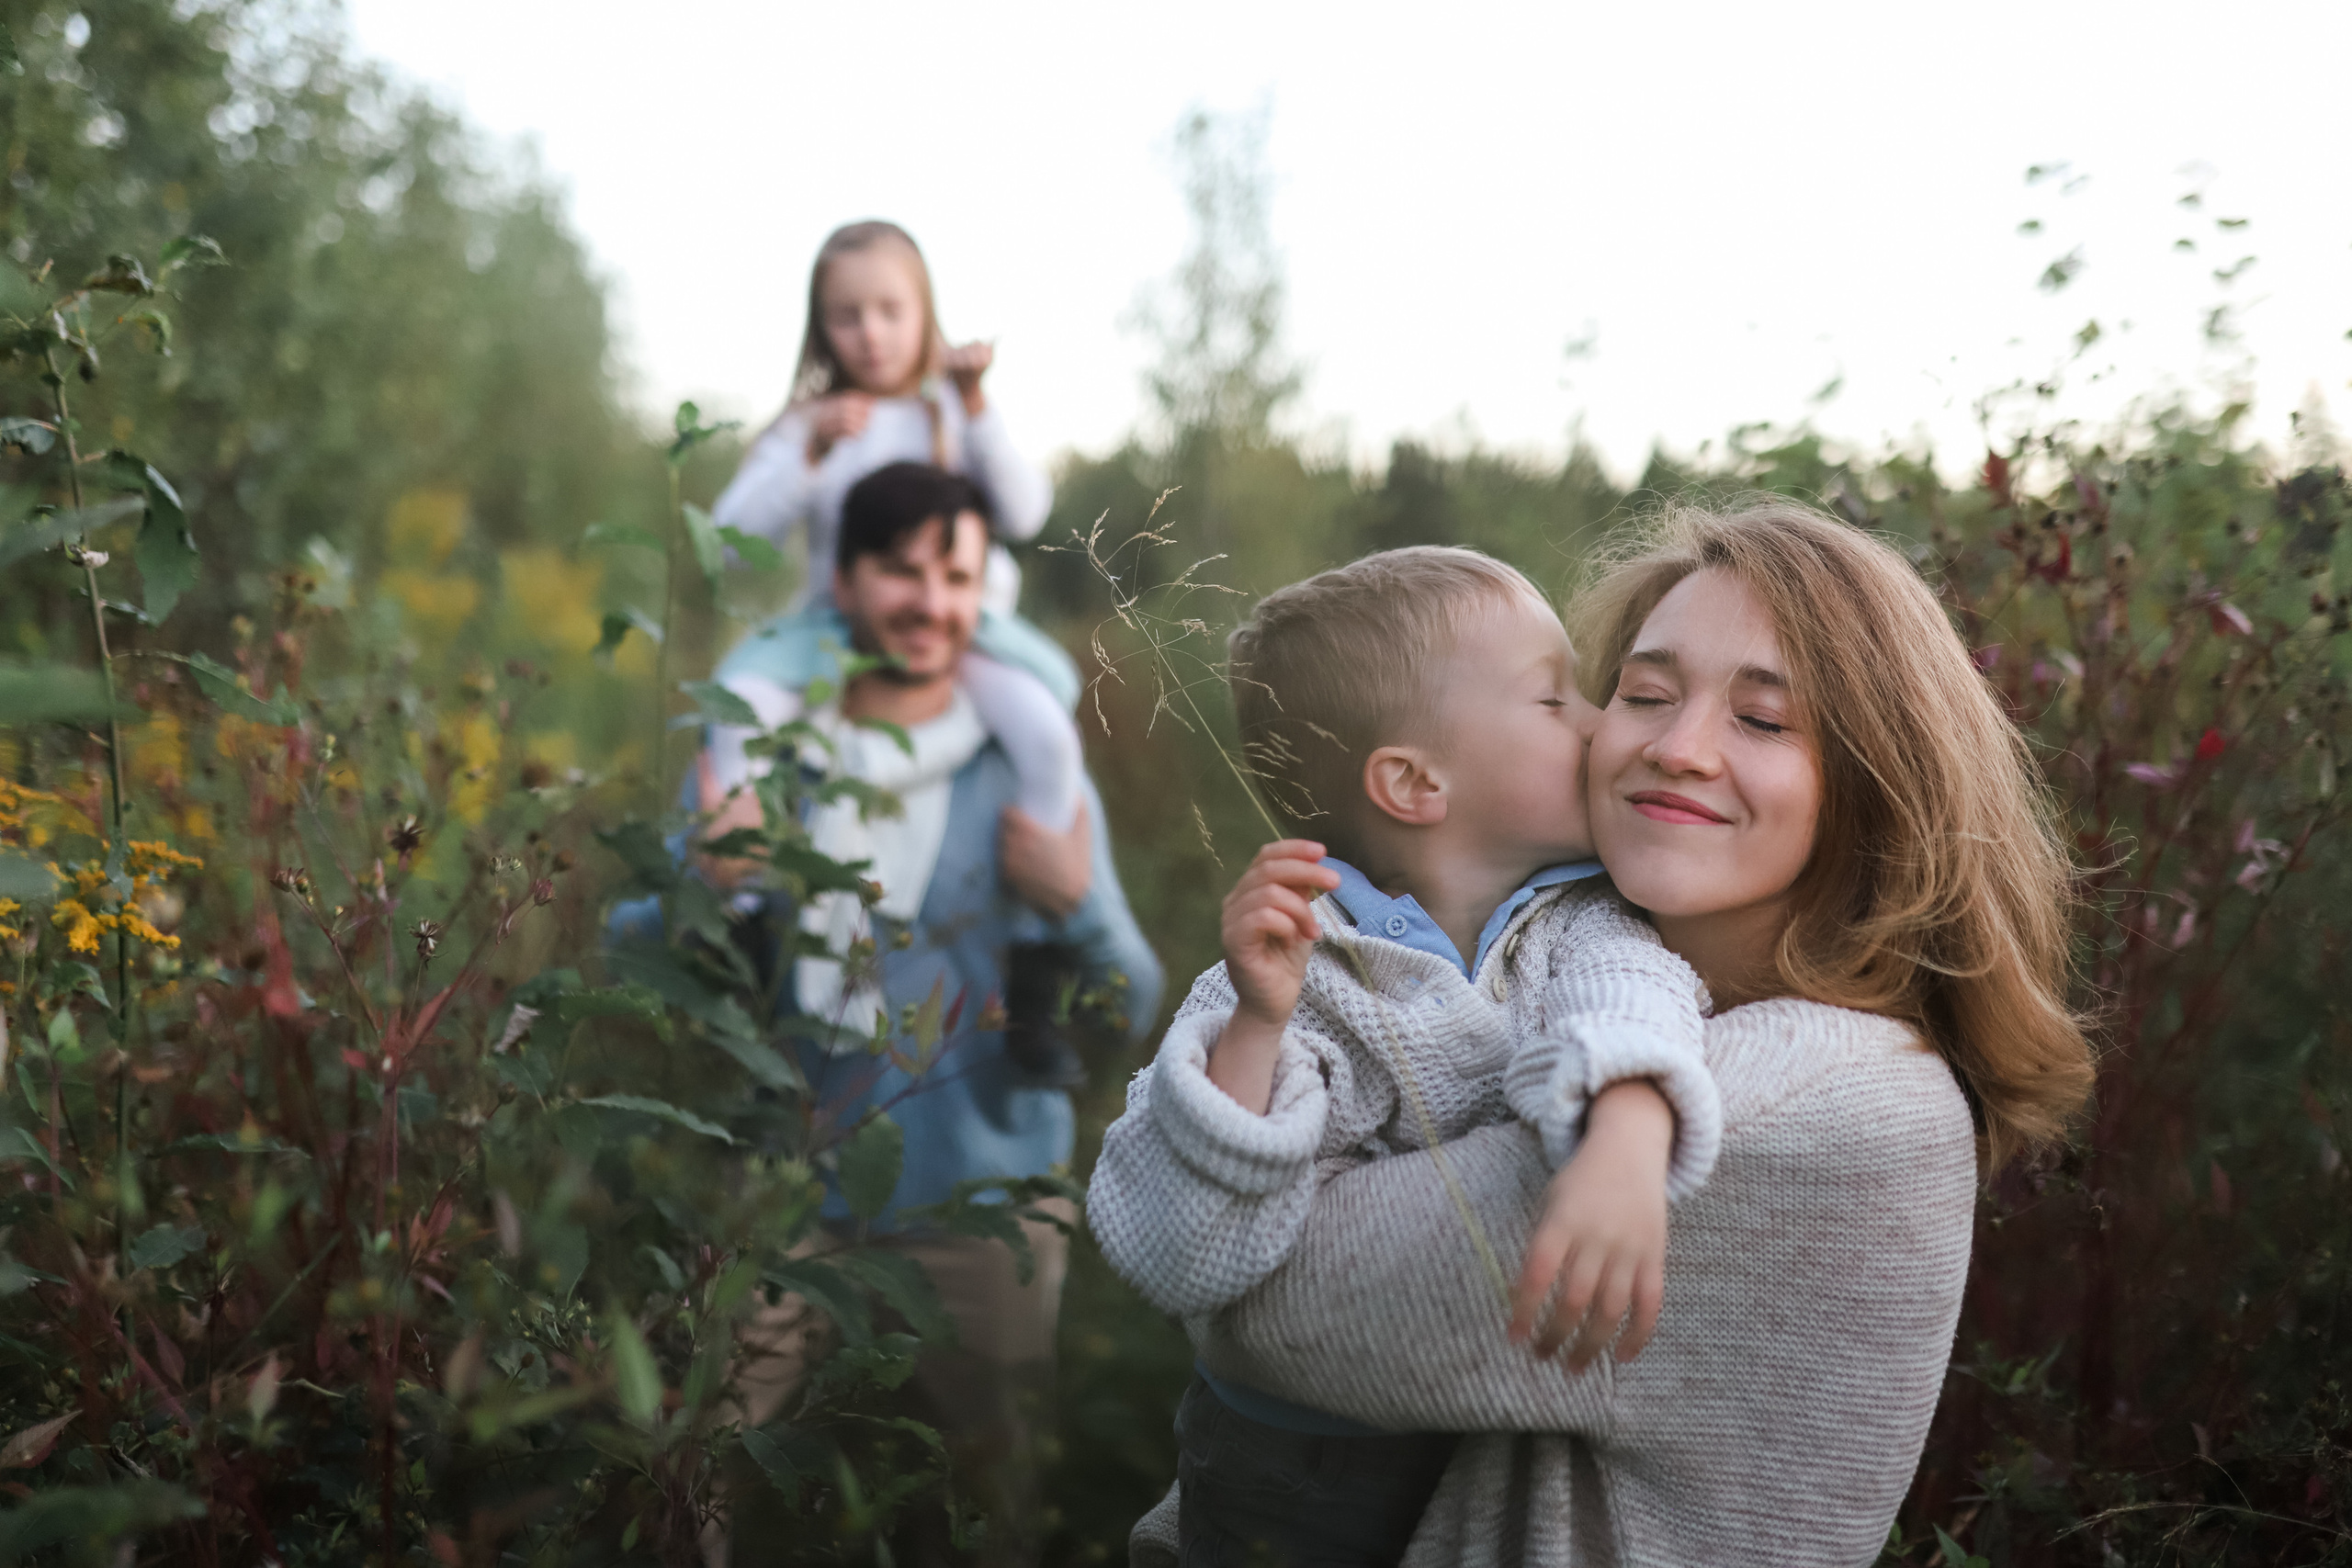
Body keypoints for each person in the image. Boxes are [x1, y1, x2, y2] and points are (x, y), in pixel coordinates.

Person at [1132, 500, 2098, 1567]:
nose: (1672, 748)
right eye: (1641, 694)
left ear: (1879, 780)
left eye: (1762, 719)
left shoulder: (1800, 1103)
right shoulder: (1558, 947)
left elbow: (1263, 1315)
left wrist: (1631, 1121)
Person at [1088, 547, 1722, 1567]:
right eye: (1554, 698)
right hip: (1288, 1466)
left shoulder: (1579, 921)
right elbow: (1181, 1248)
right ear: (1416, 782)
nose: (1601, 720)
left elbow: (1636, 996)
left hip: (1480, 1436)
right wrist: (1255, 1028)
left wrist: (1629, 1131)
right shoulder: (1305, 964)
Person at [709, 463, 1164, 1568]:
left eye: (956, 577)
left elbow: (1131, 1002)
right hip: (785, 1189)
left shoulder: (1026, 769)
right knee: (688, 1469)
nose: (930, 602)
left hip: (979, 1207)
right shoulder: (774, 754)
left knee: (977, 1512)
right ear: (844, 581)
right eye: (900, 571)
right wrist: (704, 879)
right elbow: (651, 942)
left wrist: (1073, 904)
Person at [706, 220, 1092, 1078]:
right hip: (830, 628)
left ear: (926, 314)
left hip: (961, 628)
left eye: (890, 310)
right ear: (819, 326)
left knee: (1045, 729)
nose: (870, 334)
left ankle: (1037, 958)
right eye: (845, 316)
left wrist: (978, 408)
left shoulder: (949, 409)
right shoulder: (806, 423)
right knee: (736, 709)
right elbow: (731, 543)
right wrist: (808, 453)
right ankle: (742, 920)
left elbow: (1025, 513)